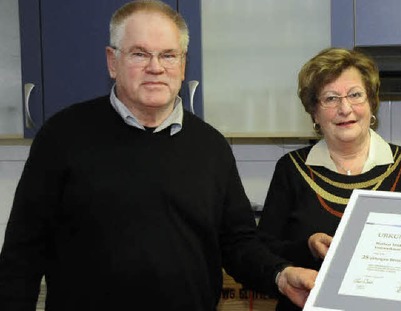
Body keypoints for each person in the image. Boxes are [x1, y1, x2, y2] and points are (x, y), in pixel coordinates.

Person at [0, 1, 316, 310]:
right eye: (140, 54)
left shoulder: (211, 146)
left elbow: (238, 243)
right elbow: (23, 252)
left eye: (168, 55)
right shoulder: (62, 136)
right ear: (112, 62)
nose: (156, 67)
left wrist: (280, 275)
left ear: (183, 64)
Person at [257, 47, 401, 311]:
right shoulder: (291, 169)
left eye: (355, 95)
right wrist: (308, 248)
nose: (345, 108)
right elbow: (261, 254)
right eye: (330, 98)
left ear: (372, 102)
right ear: (314, 112)